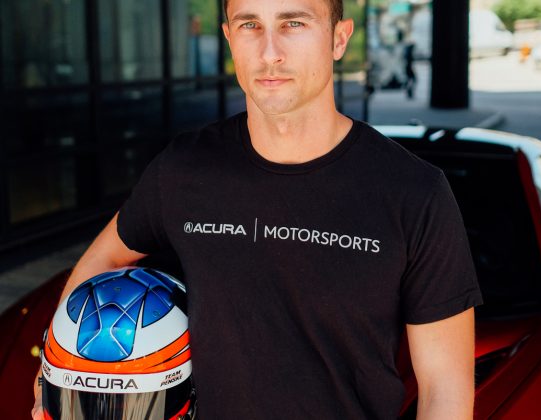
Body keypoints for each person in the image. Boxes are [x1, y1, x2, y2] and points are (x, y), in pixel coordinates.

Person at [34, 0, 482, 418]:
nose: (270, 52)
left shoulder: (414, 191)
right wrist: (48, 379)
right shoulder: (184, 168)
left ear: (339, 39)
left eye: (293, 23)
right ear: (230, 39)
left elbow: (444, 386)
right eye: (250, 25)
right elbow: (103, 260)